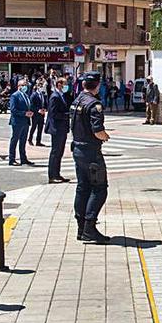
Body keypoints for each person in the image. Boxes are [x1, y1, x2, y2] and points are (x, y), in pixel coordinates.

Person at [71, 71, 111, 243]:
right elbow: (98, 131)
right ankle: (89, 227)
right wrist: (106, 136)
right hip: (91, 152)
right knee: (100, 189)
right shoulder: (94, 104)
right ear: (97, 85)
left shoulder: (77, 100)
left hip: (78, 149)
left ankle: (81, 227)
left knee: (82, 187)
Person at [45, 76, 71, 184]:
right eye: (64, 84)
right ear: (59, 84)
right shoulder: (55, 96)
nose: (66, 86)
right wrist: (67, 115)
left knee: (59, 152)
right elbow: (53, 113)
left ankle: (57, 174)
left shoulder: (62, 95)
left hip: (62, 128)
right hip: (56, 128)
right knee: (55, 152)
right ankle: (52, 175)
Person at [7, 79, 35, 166]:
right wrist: (24, 113)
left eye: (26, 85)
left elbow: (28, 106)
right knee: (15, 140)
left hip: (25, 121)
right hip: (17, 121)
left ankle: (23, 158)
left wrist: (31, 112)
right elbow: (13, 109)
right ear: (19, 86)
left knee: (23, 141)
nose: (25, 87)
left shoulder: (26, 96)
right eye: (23, 85)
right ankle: (12, 159)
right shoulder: (15, 96)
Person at [29, 80, 46, 146]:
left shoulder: (43, 95)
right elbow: (31, 106)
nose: (41, 87)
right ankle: (30, 139)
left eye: (42, 86)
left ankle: (38, 141)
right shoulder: (34, 95)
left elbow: (44, 103)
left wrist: (44, 109)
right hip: (36, 114)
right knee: (34, 127)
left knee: (40, 128)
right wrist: (38, 110)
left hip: (42, 114)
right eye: (40, 86)